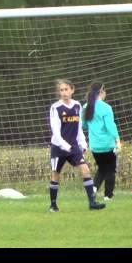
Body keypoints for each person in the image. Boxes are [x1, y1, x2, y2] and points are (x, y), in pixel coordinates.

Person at [48, 79, 105, 212]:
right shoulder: (55, 107)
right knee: (55, 174)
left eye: (66, 89)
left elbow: (78, 128)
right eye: (61, 90)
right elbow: (55, 132)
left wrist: (83, 143)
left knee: (85, 169)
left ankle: (92, 203)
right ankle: (53, 205)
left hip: (73, 147)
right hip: (58, 147)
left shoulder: (77, 106)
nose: (64, 92)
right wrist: (64, 145)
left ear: (72, 90)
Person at [82, 82, 121, 201]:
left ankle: (93, 188)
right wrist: (117, 140)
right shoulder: (106, 108)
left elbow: (84, 125)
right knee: (111, 169)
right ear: (101, 91)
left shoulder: (85, 107)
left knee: (102, 168)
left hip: (94, 146)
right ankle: (108, 195)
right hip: (107, 144)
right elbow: (110, 126)